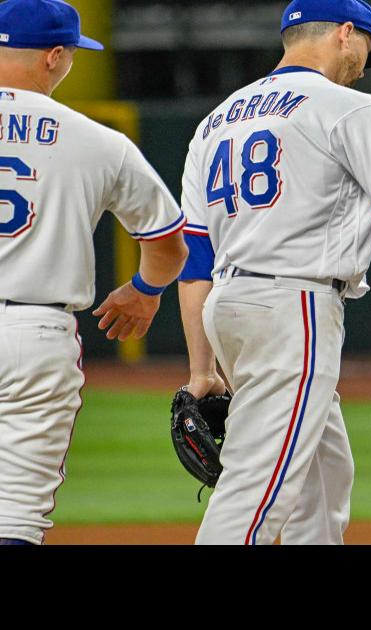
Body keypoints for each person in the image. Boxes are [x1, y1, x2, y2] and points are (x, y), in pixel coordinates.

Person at [177, 0, 371, 545]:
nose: (366, 62)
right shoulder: (350, 107)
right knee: (257, 490)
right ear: (346, 34)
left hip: (228, 307)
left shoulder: (217, 120)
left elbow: (195, 255)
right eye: (368, 46)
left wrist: (201, 368)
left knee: (323, 482)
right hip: (293, 308)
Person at [0, 0, 188, 545]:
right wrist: (145, 291)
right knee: (14, 514)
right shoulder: (98, 139)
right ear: (55, 56)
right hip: (34, 334)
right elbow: (168, 243)